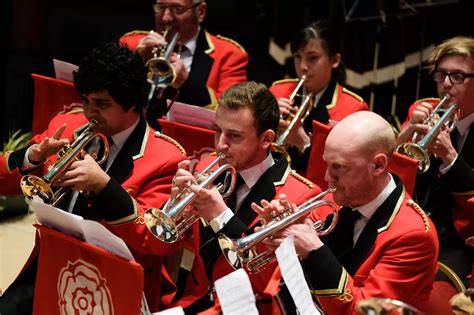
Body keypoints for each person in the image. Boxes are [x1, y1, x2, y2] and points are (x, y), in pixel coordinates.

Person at [0, 43, 186, 313]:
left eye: (101, 104)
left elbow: (155, 242)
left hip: (117, 281)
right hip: (54, 263)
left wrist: (104, 186)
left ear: (132, 103)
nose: (89, 113)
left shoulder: (165, 158)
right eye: (85, 101)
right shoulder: (67, 124)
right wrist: (33, 156)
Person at [254, 111, 439, 313]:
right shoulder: (331, 201)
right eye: (327, 163)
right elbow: (274, 284)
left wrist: (315, 252)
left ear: (378, 165)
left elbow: (364, 311)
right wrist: (280, 241)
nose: (327, 177)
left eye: (339, 167)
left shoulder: (414, 236)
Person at [163, 81, 322, 314]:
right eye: (218, 131)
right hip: (194, 303)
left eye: (234, 136)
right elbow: (161, 246)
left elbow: (272, 282)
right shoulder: (207, 166)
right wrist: (173, 209)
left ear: (267, 139)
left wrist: (222, 217)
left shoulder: (301, 195)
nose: (220, 144)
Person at [396, 36, 474, 285]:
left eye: (458, 76)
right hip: (415, 223)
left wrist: (450, 157)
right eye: (441, 75)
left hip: (459, 238)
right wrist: (401, 141)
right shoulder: (422, 110)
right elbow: (394, 180)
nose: (446, 85)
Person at [119, 0, 249, 127]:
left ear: (201, 12)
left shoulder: (229, 54)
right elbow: (108, 100)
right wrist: (136, 63)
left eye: (177, 9)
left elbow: (232, 116)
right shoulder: (131, 43)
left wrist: (186, 83)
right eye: (161, 7)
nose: (166, 18)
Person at [269, 20, 368, 173]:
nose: (302, 66)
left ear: (334, 60)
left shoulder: (353, 108)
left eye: (312, 58)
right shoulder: (277, 90)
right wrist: (268, 122)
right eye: (297, 57)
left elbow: (344, 171)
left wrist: (303, 142)